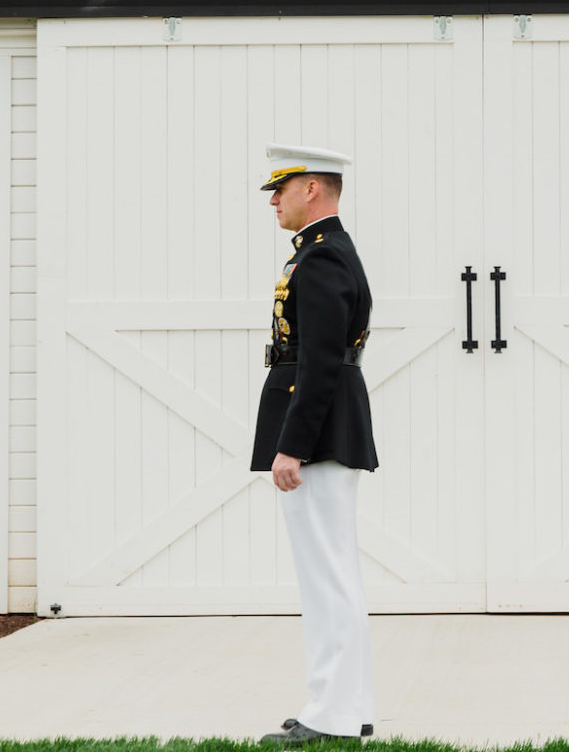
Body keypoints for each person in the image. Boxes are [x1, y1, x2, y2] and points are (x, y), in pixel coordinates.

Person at [252, 144, 379, 745]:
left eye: (282, 188)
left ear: (313, 190)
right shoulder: (323, 253)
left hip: (318, 432)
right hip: (325, 427)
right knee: (335, 572)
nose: (273, 200)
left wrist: (291, 445)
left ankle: (332, 715)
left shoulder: (323, 260)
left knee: (326, 576)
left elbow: (321, 361)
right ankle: (348, 705)